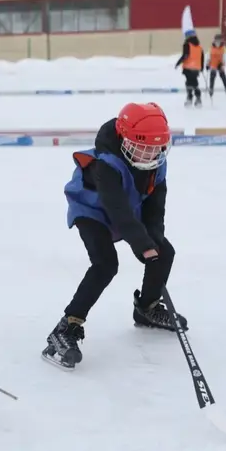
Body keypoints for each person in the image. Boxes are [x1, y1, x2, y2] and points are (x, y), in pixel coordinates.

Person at [42, 102, 188, 370]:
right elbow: (117, 209)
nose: (149, 156)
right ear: (125, 140)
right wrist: (141, 243)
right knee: (106, 264)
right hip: (92, 209)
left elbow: (155, 210)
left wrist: (152, 239)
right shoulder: (106, 165)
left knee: (164, 252)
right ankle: (67, 327)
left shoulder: (156, 164)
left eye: (156, 149)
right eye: (142, 149)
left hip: (128, 209)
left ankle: (147, 307)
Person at [175, 30, 204, 107]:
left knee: (189, 83)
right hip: (196, 68)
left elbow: (185, 55)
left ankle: (190, 98)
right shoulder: (199, 47)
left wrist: (178, 63)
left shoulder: (187, 45)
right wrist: (202, 68)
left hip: (188, 67)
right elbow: (202, 57)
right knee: (195, 83)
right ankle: (198, 98)